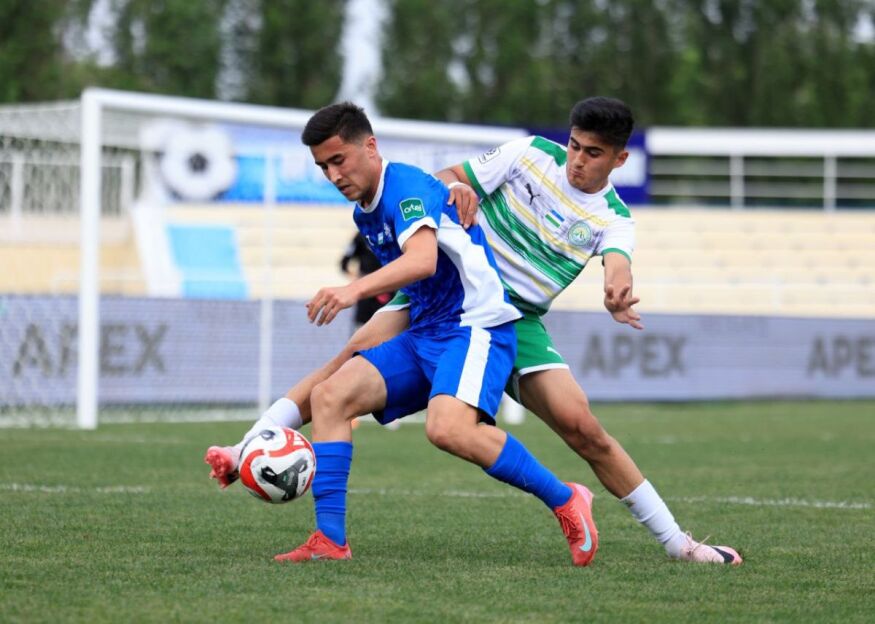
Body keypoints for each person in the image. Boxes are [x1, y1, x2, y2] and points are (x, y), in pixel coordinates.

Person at [206, 97, 741, 566]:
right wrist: (459, 187)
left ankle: (679, 543)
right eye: (575, 146)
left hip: (500, 315)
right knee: (336, 378)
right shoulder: (531, 154)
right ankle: (267, 471)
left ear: (619, 159)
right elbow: (441, 181)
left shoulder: (615, 218)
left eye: (593, 153)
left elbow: (618, 263)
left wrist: (618, 288)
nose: (578, 160)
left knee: (583, 430)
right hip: (444, 290)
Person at [339, 232, 393, 329]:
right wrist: (358, 280)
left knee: (387, 325)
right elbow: (344, 263)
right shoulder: (361, 235)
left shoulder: (391, 232)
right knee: (361, 326)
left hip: (388, 289)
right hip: (366, 292)